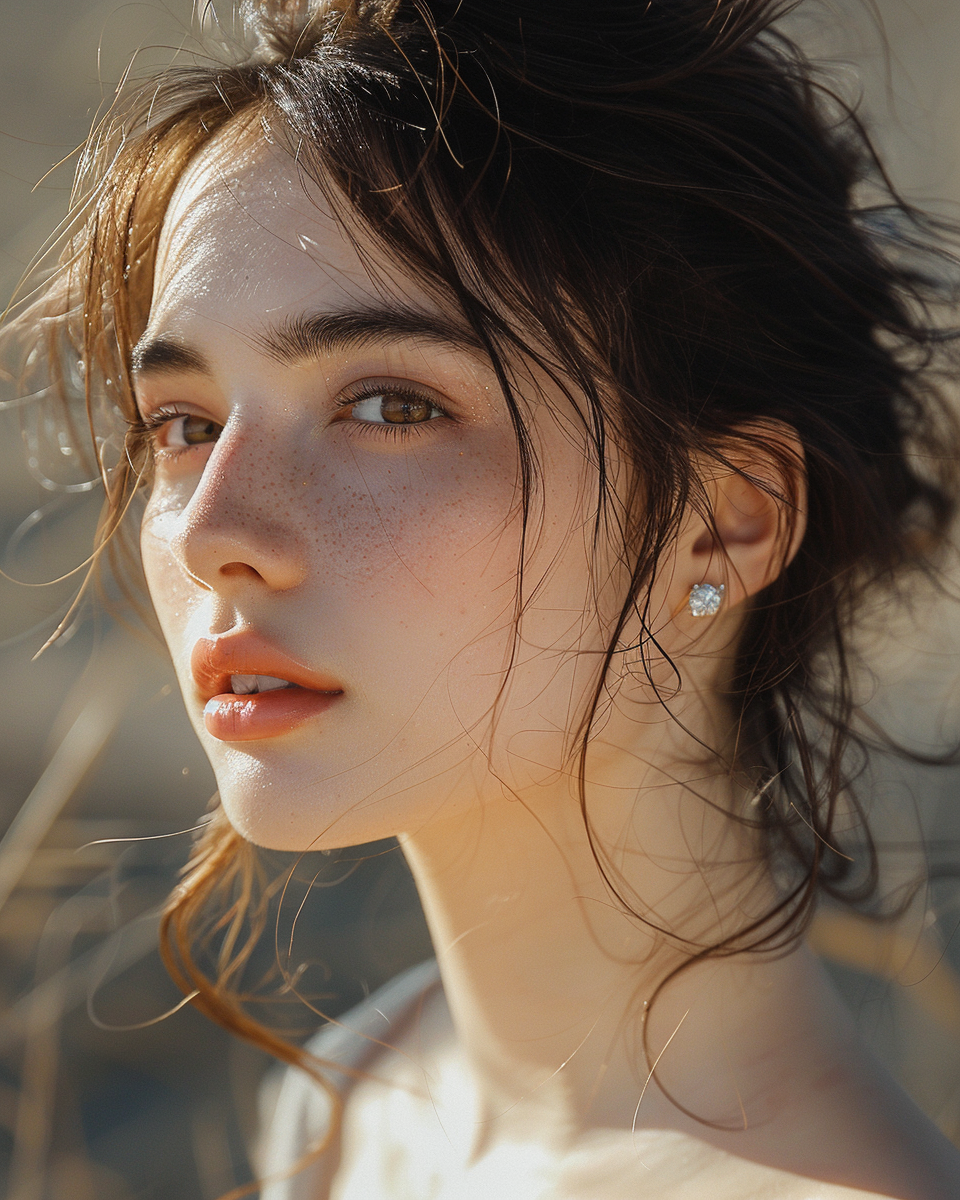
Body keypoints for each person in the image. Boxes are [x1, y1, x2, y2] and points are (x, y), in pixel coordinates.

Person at [6, 0, 960, 1195]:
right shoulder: (351, 1101)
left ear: (727, 517)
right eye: (185, 425)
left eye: (391, 407)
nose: (209, 533)